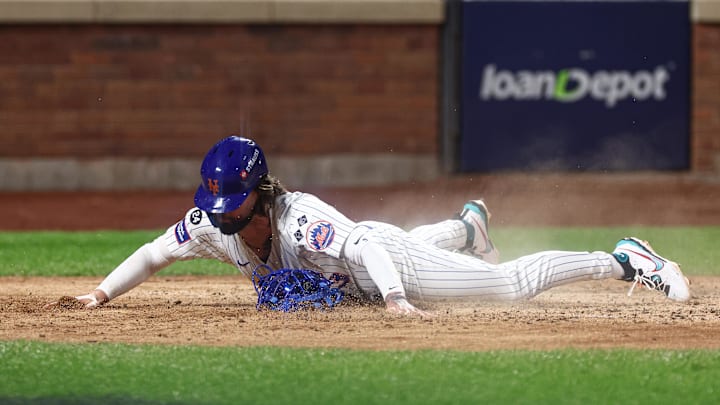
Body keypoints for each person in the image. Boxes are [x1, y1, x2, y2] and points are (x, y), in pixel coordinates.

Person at [51, 136, 691, 317]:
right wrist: (99, 295)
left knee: (506, 288)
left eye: (234, 205)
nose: (223, 217)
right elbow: (154, 253)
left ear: (258, 192)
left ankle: (625, 258)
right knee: (416, 244)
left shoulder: (301, 221)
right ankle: (468, 228)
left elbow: (358, 243)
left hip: (382, 258)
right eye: (217, 207)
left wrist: (396, 299)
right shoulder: (215, 224)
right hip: (374, 250)